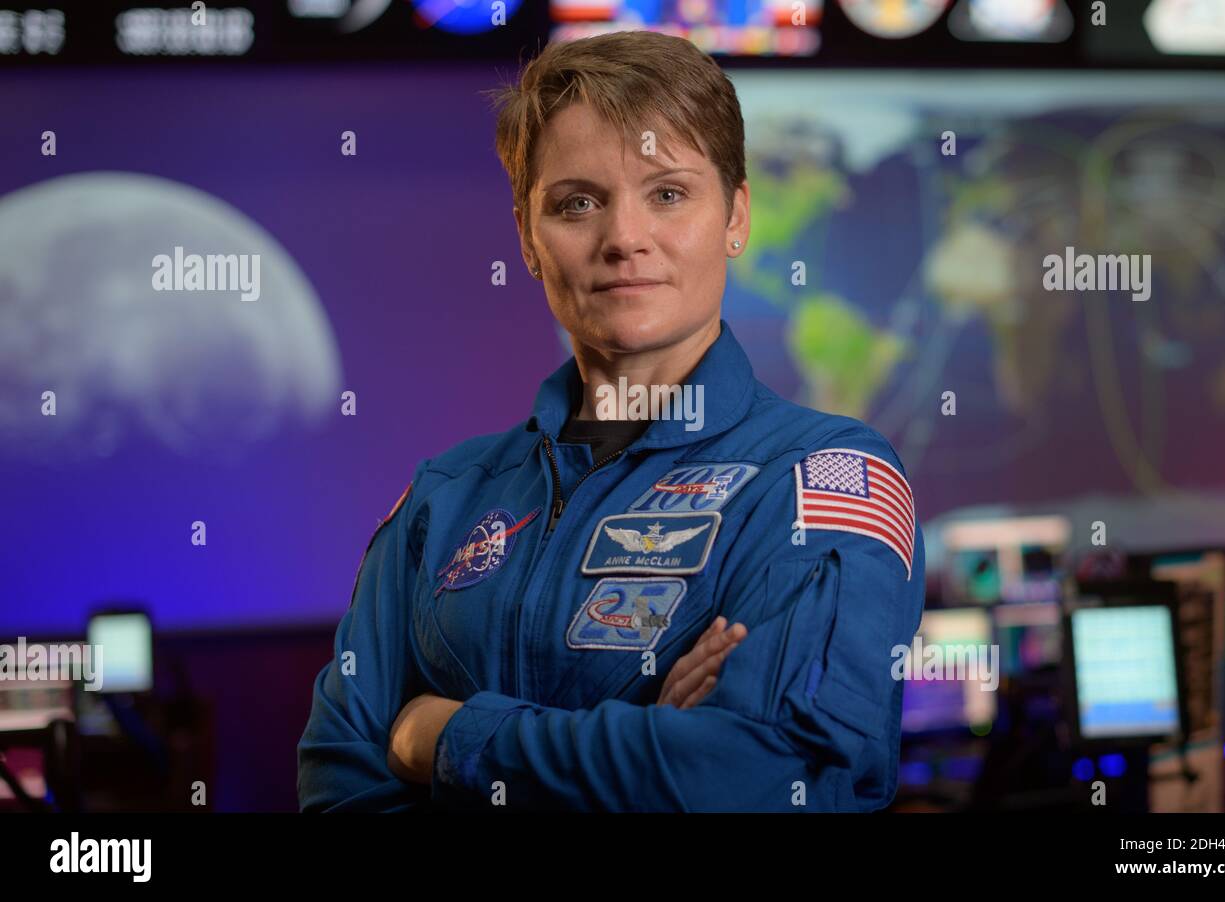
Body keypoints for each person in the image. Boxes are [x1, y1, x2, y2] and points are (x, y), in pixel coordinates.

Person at [297, 29, 925, 812]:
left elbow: (771, 775)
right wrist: (641, 746)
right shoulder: (444, 500)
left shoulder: (823, 481)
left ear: (736, 216)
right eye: (577, 203)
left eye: (667, 193)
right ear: (528, 238)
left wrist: (450, 739)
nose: (624, 239)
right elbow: (337, 788)